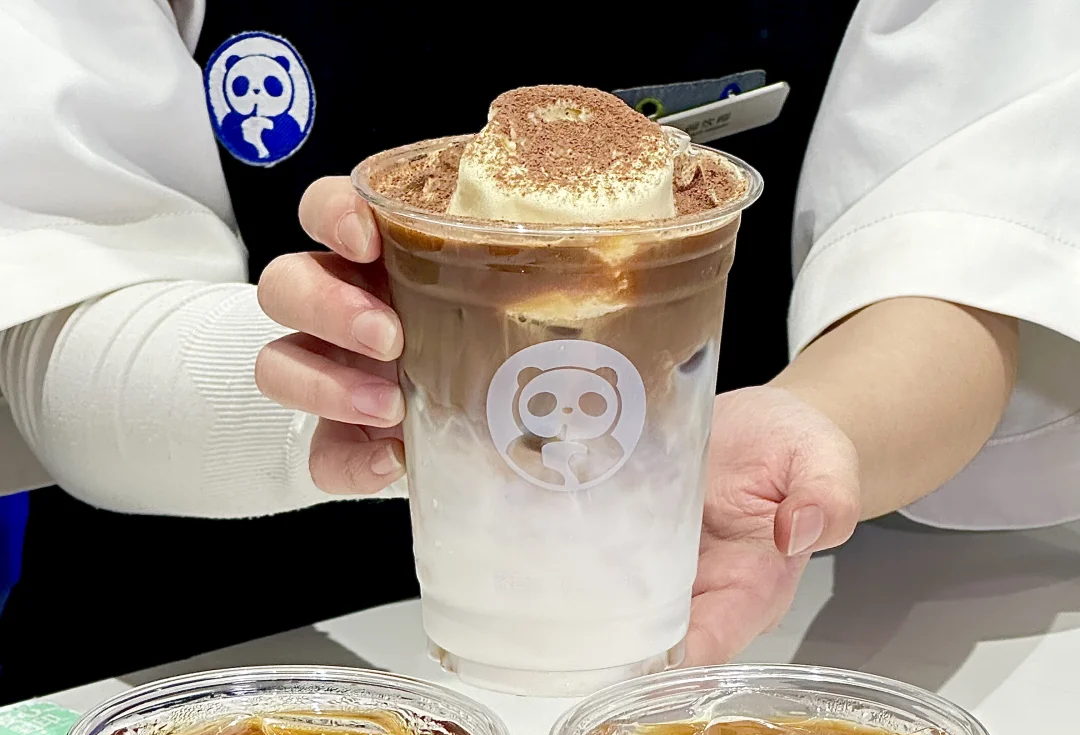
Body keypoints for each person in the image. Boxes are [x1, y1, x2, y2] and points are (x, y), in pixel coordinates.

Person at [0, 1, 1076, 699]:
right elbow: (50, 303)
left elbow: (969, 241)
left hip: (706, 625)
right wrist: (365, 395)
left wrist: (819, 428)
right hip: (200, 654)